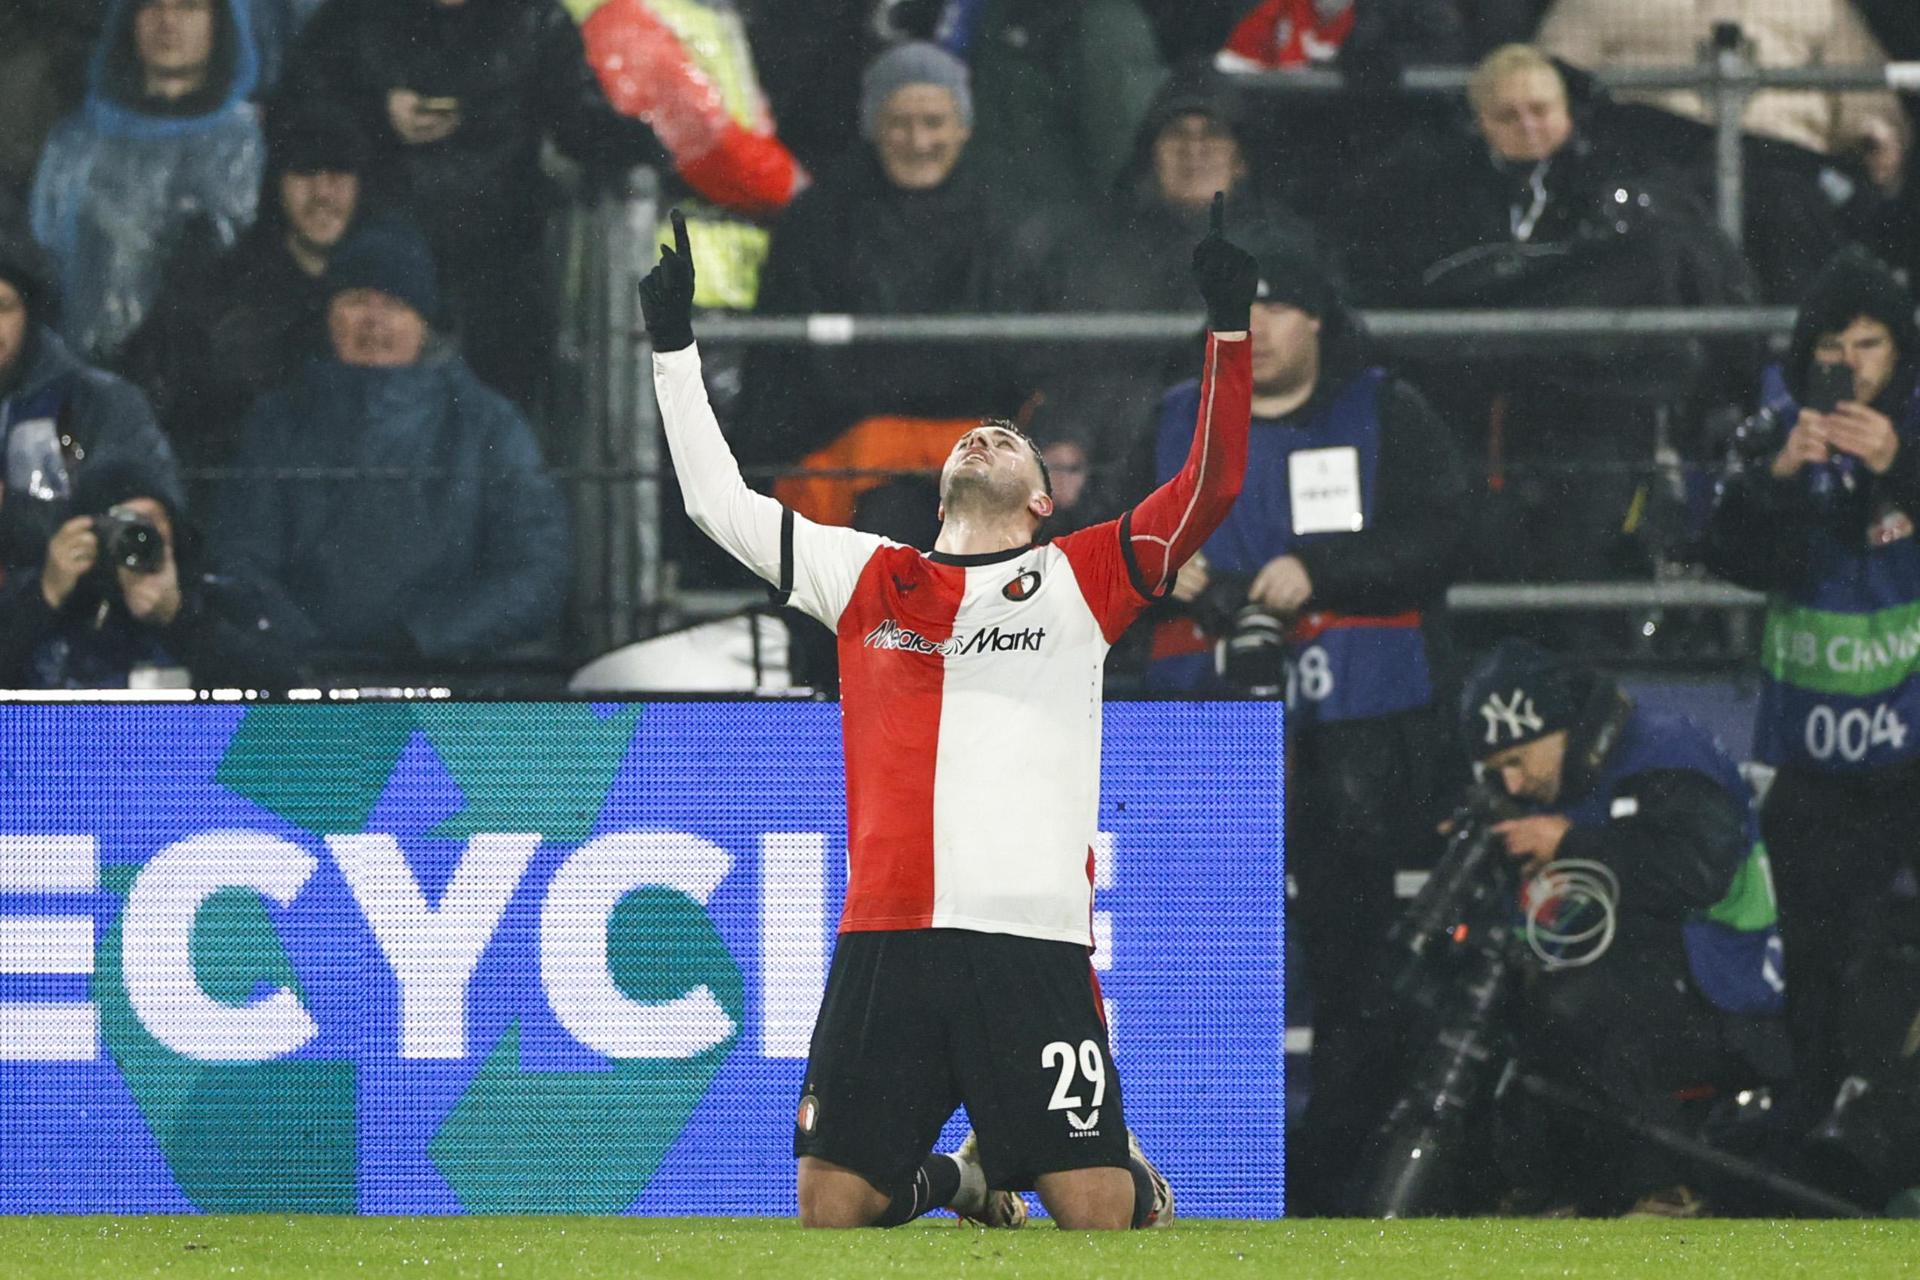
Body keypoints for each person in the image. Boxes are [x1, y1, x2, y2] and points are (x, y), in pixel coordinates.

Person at [640, 197, 1256, 1229]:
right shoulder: (868, 575)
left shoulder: (1083, 574)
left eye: (1010, 436)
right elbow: (717, 503)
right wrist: (673, 346)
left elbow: (1211, 485)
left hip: (1030, 931)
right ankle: (964, 1179)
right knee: (831, 1205)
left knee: (1099, 1213)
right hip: (889, 928)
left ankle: (1085, 1166)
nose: (988, 435)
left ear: (1043, 498)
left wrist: (1229, 331)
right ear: (940, 494)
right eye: (976, 435)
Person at [1139, 234, 1468, 1209]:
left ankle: (1336, 1174)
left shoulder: (1385, 411)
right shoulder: (1171, 421)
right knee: (1198, 951)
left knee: (1356, 956)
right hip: (1201, 728)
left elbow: (1445, 534)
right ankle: (1188, 1157)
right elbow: (1113, 537)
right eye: (1244, 313)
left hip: (1359, 733)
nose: (1262, 329)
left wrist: (1326, 570)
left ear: (1321, 319)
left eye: (1281, 308)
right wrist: (1158, 560)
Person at [1341, 45, 1757, 594]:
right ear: (1478, 121)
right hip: (1479, 419)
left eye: (1540, 109)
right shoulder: (1437, 196)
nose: (1529, 127)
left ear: (1566, 108)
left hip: (1595, 414)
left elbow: (1702, 276)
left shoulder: (1627, 185)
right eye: (1507, 116)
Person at [1702, 247, 1920, 1120]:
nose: (1853, 365)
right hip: (1818, 745)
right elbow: (1729, 556)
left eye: (1871, 344)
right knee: (1816, 950)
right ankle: (1821, 1127)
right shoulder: (1772, 422)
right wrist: (1780, 480)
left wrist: (1899, 467)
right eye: (1834, 345)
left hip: (1913, 731)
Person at [1457, 640, 1784, 1217]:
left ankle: (1668, 1190)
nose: (1510, 785)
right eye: (1494, 770)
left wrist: (1570, 843)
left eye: (1517, 760)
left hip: (1727, 994)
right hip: (1666, 984)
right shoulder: (1575, 776)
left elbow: (1698, 871)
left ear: (1564, 731)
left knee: (1581, 995)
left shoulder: (1664, 751)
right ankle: (1539, 1190)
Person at [212, 218, 571, 674]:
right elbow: (240, 558)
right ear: (328, 314)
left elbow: (537, 570)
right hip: (305, 688)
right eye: (357, 300)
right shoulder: (278, 421)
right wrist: (306, 651)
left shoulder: (488, 426)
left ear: (424, 321)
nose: (374, 320)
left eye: (395, 304)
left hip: (450, 688)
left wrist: (422, 640)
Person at [737, 41, 1054, 541]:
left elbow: (1022, 359)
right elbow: (787, 371)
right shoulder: (819, 220)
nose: (918, 140)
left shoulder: (1007, 220)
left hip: (981, 452)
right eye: (899, 122)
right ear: (872, 126)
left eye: (934, 122)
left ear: (963, 126)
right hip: (848, 453)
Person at [279, 0, 663, 409]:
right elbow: (298, 114)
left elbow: (582, 121)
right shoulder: (355, 15)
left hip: (499, 274)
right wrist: (375, 111)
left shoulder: (534, 17)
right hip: (382, 269)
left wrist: (666, 151)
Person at [118, 99, 369, 490]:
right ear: (276, 183)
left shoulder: (393, 295)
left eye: (338, 173)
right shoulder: (216, 292)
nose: (322, 193)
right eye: (304, 172)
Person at [29, 0, 266, 364]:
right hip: (82, 372)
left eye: (188, 6)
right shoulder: (77, 140)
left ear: (221, 22)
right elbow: (41, 257)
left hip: (206, 378)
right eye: (150, 4)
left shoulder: (248, 144)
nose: (167, 20)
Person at [0, 458, 301, 687]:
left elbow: (280, 691)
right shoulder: (52, 605)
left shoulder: (215, 602)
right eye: (121, 524)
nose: (137, 536)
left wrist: (178, 619)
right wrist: (45, 597)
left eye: (149, 523)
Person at [0, 220, 183, 575]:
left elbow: (142, 529)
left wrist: (11, 509)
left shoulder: (101, 403)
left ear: (31, 314)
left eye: (3, 307)